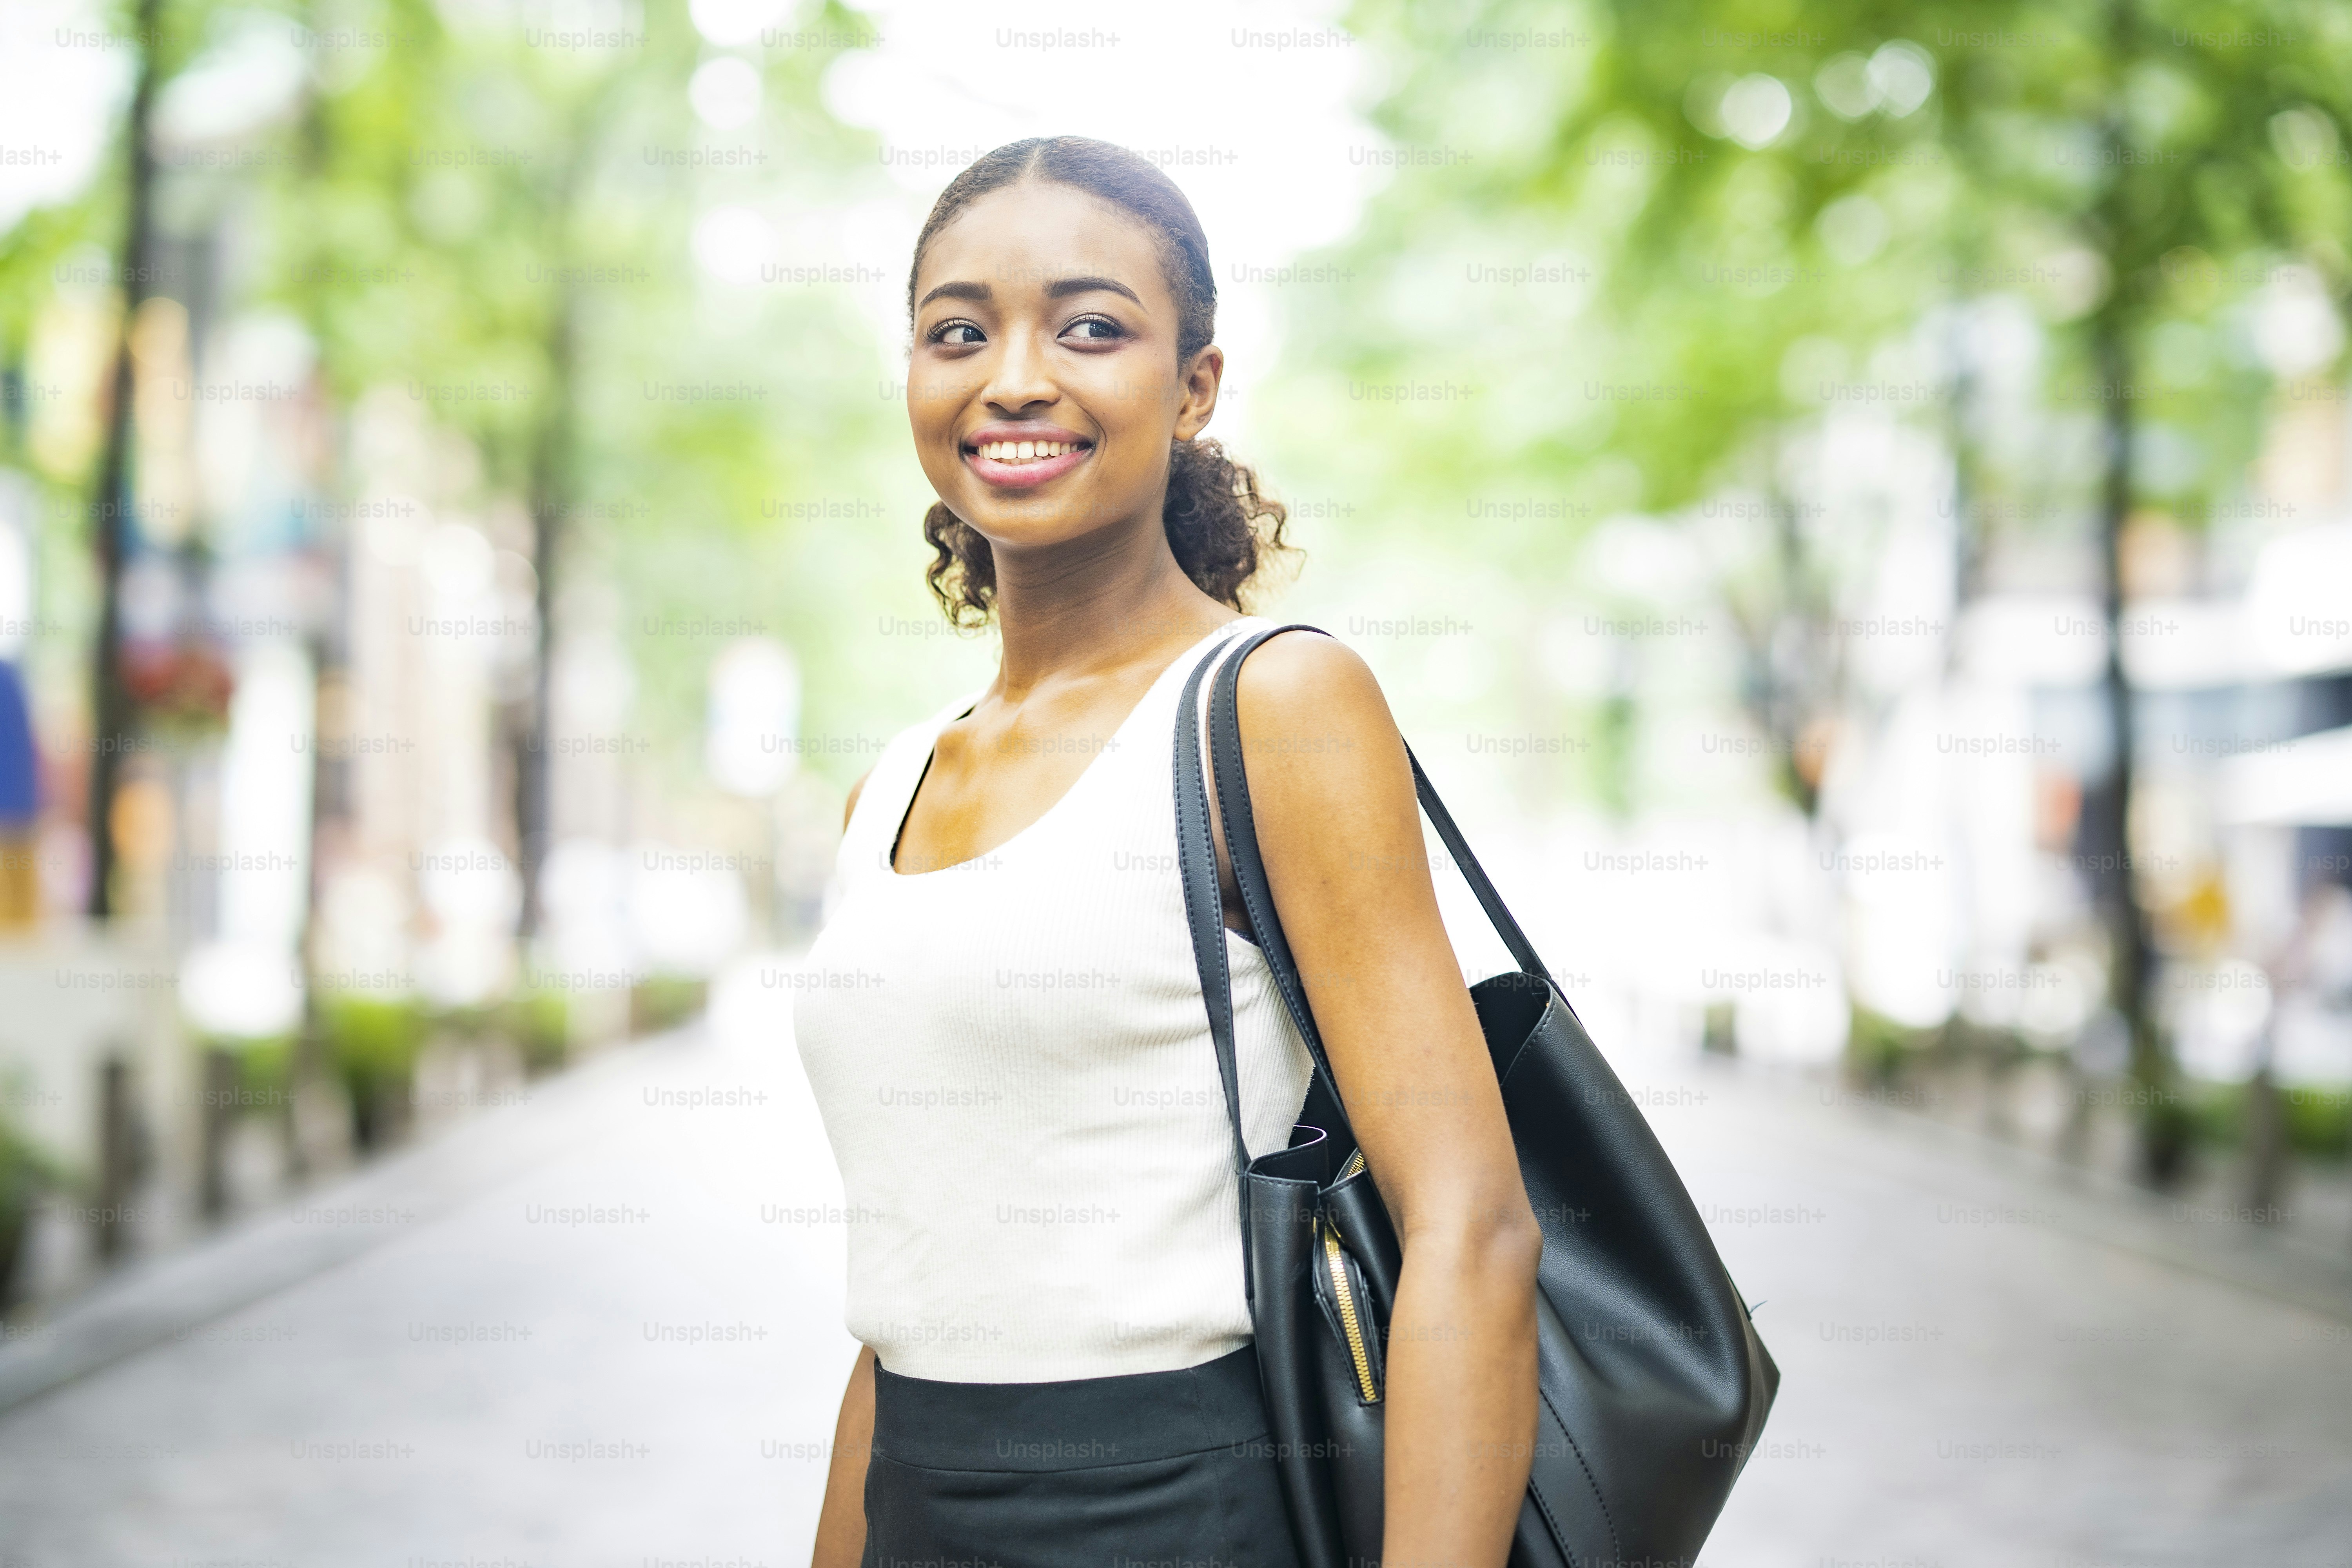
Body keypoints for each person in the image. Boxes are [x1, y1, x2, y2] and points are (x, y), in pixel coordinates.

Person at [795, 136, 1539, 1568]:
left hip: (1179, 1514)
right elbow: (903, 1314)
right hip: (920, 1508)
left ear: (1195, 384)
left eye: (1090, 327)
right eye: (959, 331)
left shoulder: (1274, 706)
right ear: (912, 379)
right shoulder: (889, 789)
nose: (1013, 376)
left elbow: (1472, 1229)